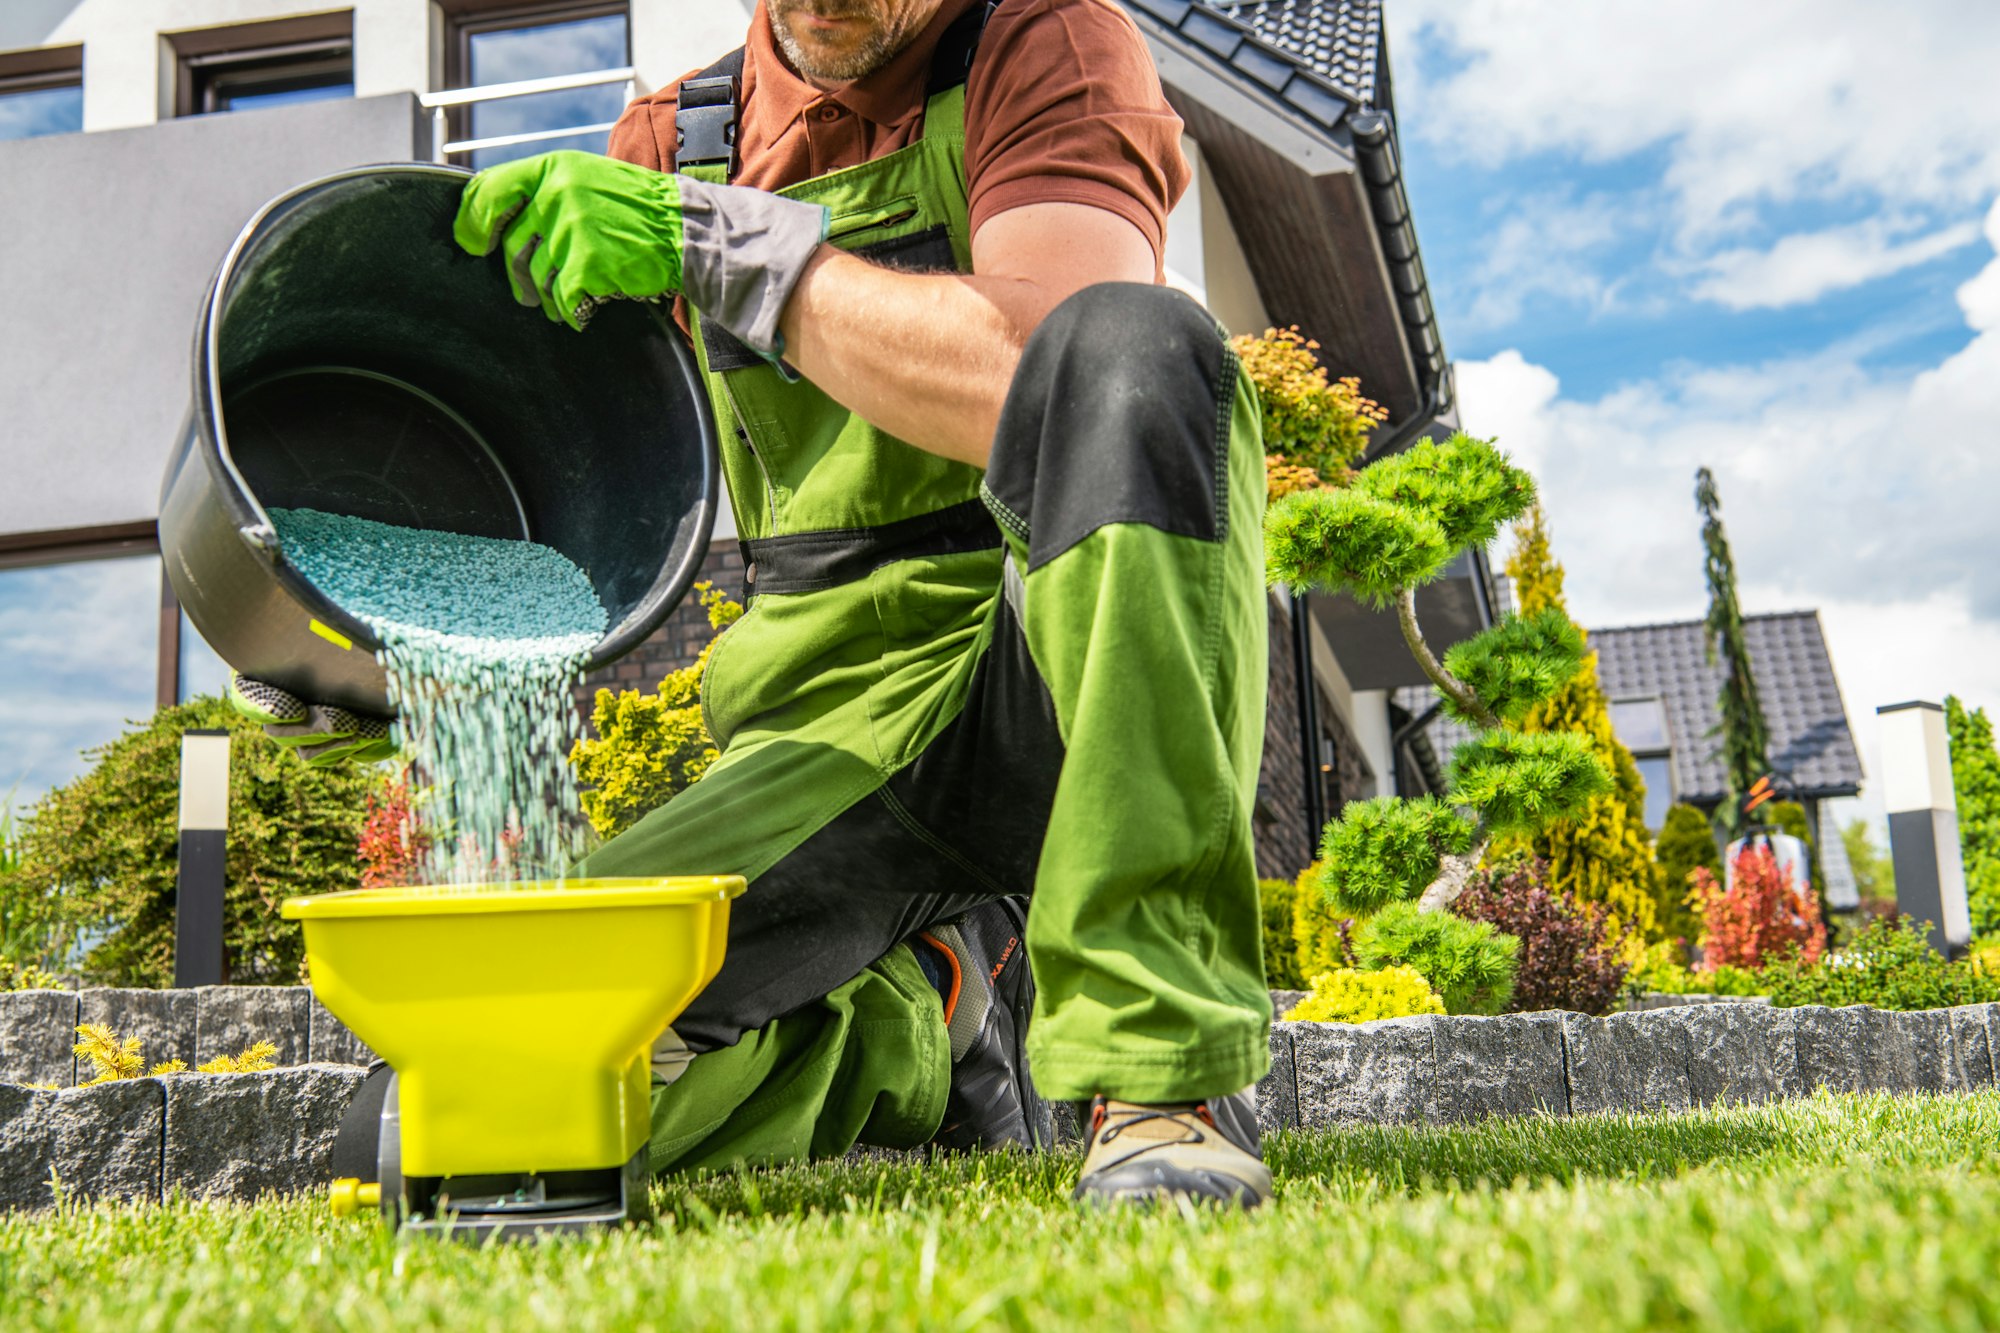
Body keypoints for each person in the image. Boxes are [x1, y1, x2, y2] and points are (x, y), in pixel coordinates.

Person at [237, 0, 1273, 1207]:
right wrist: (339, 626)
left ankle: (1156, 1087)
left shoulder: (1041, 43)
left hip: (1067, 668)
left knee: (1140, 345)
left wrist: (732, 252)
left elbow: (1041, 371)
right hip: (833, 727)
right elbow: (564, 472)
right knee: (448, 1126)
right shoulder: (675, 143)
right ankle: (924, 1023)